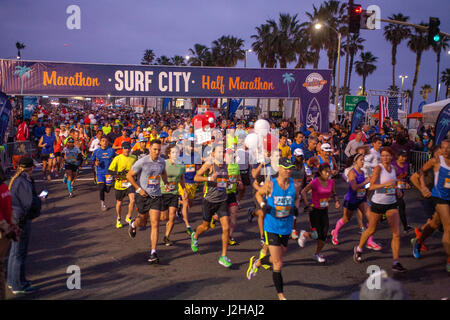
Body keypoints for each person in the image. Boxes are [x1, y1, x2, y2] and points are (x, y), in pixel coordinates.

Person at [246, 158, 298, 300]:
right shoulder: (270, 185)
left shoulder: (295, 185)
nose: (288, 171)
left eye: (290, 168)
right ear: (279, 169)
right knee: (278, 262)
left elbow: (296, 198)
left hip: (286, 227)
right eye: (285, 168)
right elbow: (258, 194)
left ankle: (257, 262)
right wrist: (263, 205)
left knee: (278, 257)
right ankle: (281, 296)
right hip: (272, 226)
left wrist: (295, 208)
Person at [353, 147, 407, 273]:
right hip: (378, 203)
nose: (385, 158)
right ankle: (359, 248)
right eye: (383, 156)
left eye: (387, 156)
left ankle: (395, 262)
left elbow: (394, 183)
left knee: (397, 233)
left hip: (391, 203)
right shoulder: (378, 168)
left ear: (392, 157)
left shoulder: (393, 168)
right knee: (371, 229)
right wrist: (386, 185)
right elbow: (371, 186)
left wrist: (397, 189)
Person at [126, 139, 170, 264]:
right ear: (150, 149)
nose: (157, 152)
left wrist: (165, 183)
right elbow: (129, 176)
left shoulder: (162, 161)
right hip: (143, 196)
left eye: (158, 150)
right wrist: (139, 189)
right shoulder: (142, 162)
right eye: (154, 149)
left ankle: (153, 252)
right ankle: (134, 224)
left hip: (156, 195)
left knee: (155, 223)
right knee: (143, 222)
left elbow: (163, 173)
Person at [191, 144, 233, 268]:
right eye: (219, 152)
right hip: (209, 200)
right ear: (213, 154)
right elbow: (196, 177)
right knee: (205, 226)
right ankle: (195, 235)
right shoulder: (209, 164)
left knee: (226, 227)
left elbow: (224, 181)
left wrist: (229, 182)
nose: (221, 154)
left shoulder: (226, 165)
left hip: (222, 200)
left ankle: (223, 256)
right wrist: (209, 178)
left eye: (223, 152)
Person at [331, 154, 382, 250]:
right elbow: (354, 187)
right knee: (346, 219)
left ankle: (370, 241)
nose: (363, 162)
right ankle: (335, 232)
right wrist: (366, 182)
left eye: (363, 160)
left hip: (361, 199)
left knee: (372, 219)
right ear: (355, 161)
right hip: (351, 199)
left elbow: (363, 186)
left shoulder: (362, 172)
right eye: (361, 160)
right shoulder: (352, 173)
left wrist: (369, 185)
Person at [7, 157, 41, 295]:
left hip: (14, 218)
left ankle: (13, 281)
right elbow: (28, 203)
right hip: (21, 220)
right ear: (29, 167)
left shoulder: (15, 179)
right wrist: (39, 200)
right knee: (19, 253)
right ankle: (18, 285)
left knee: (14, 253)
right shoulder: (23, 181)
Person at [418, 139, 450, 272]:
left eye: (448, 148)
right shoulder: (436, 160)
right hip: (439, 197)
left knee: (435, 224)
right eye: (443, 148)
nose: (445, 150)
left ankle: (419, 241)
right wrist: (423, 186)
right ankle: (449, 259)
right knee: (448, 226)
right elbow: (421, 171)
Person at [299, 163, 340, 263]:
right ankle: (305, 234)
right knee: (316, 235)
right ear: (320, 172)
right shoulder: (315, 182)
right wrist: (307, 203)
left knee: (324, 234)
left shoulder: (331, 182)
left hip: (324, 210)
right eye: (326, 171)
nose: (328, 173)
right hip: (314, 211)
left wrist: (336, 201)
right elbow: (303, 191)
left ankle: (317, 254)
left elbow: (333, 193)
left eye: (329, 171)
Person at [160, 144, 187, 246]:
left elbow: (181, 178)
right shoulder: (164, 164)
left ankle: (166, 236)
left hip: (174, 193)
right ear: (168, 154)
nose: (175, 154)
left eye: (176, 152)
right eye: (173, 152)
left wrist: (184, 189)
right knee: (163, 217)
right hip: (162, 192)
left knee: (172, 217)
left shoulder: (181, 165)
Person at [0, 166, 20, 300]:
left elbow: (6, 210)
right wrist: (12, 226)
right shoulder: (3, 188)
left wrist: (10, 226)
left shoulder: (3, 188)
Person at [91, 136, 116, 211]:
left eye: (106, 141)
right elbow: (92, 160)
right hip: (100, 172)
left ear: (108, 142)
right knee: (101, 188)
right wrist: (95, 163)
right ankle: (103, 203)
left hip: (109, 173)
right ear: (100, 142)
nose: (104, 142)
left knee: (107, 190)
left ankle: (107, 187)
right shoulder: (96, 151)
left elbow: (116, 158)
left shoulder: (111, 150)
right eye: (103, 141)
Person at [392, 150, 412, 233]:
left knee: (394, 206)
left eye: (405, 156)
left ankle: (382, 217)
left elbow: (407, 176)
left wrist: (407, 183)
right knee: (401, 206)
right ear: (398, 156)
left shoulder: (406, 165)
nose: (404, 158)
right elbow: (390, 178)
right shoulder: (393, 165)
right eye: (402, 156)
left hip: (401, 188)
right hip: (393, 188)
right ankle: (405, 227)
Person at [225, 149, 242, 246]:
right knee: (224, 217)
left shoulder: (236, 166)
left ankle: (230, 236)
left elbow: (238, 178)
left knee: (234, 215)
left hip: (232, 193)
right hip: (222, 194)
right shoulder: (223, 166)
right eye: (229, 155)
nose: (230, 156)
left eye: (232, 155)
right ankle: (214, 218)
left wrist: (239, 182)